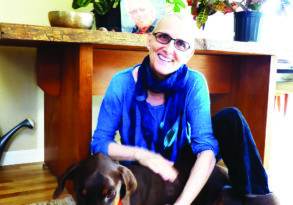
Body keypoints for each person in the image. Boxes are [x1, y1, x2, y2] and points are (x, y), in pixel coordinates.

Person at [91, 13, 277, 204]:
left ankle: (258, 198)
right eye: (163, 37)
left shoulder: (194, 83)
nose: (169, 49)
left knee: (231, 119)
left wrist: (183, 203)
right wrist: (144, 156)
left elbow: (205, 148)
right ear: (149, 41)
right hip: (137, 170)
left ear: (189, 54)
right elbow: (100, 142)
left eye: (181, 44)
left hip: (180, 162)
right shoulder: (122, 82)